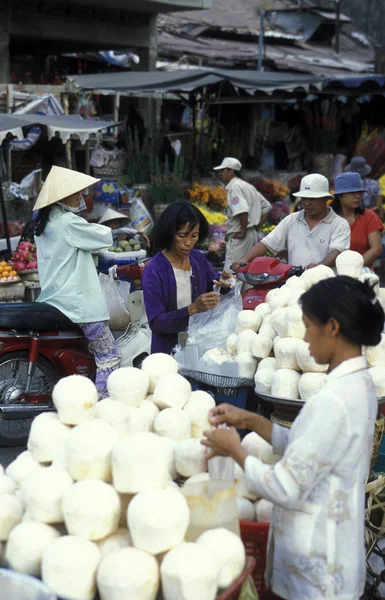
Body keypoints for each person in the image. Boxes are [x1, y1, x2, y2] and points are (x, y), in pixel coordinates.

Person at [203, 275, 384, 600]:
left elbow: (286, 487)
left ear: (332, 327)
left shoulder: (333, 400)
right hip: (334, 559)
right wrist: (253, 421)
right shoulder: (360, 384)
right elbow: (313, 452)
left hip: (316, 572)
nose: (305, 338)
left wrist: (236, 451)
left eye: (308, 326)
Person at [34, 166, 121, 397]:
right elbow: (101, 237)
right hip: (77, 302)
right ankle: (102, 403)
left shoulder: (45, 224)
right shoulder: (67, 222)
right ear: (62, 197)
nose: (81, 198)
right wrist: (119, 231)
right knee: (109, 356)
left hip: (55, 299)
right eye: (77, 194)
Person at [142, 202, 232, 355]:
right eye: (182, 236)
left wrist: (225, 284)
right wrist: (193, 309)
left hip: (199, 345)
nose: (188, 242)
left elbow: (214, 281)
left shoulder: (197, 258)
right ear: (170, 234)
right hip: (167, 352)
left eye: (194, 236)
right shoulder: (154, 270)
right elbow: (157, 322)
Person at [232, 173, 350, 271]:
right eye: (304, 198)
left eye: (312, 199)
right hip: (294, 283)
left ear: (326, 199)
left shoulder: (339, 224)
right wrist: (245, 259)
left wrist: (319, 268)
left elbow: (336, 251)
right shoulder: (291, 220)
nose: (306, 203)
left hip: (326, 285)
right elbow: (267, 243)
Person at [213, 157, 272, 269]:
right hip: (251, 234)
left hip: (241, 236)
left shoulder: (234, 187)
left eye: (223, 170)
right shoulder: (248, 186)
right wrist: (257, 227)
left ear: (231, 171)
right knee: (246, 272)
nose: (220, 173)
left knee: (232, 272)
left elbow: (242, 210)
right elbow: (267, 207)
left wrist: (243, 231)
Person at [333, 172, 383, 268]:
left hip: (362, 272)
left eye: (360, 192)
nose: (358, 196)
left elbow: (376, 249)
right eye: (352, 193)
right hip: (332, 272)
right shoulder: (329, 217)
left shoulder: (369, 216)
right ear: (340, 195)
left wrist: (353, 267)